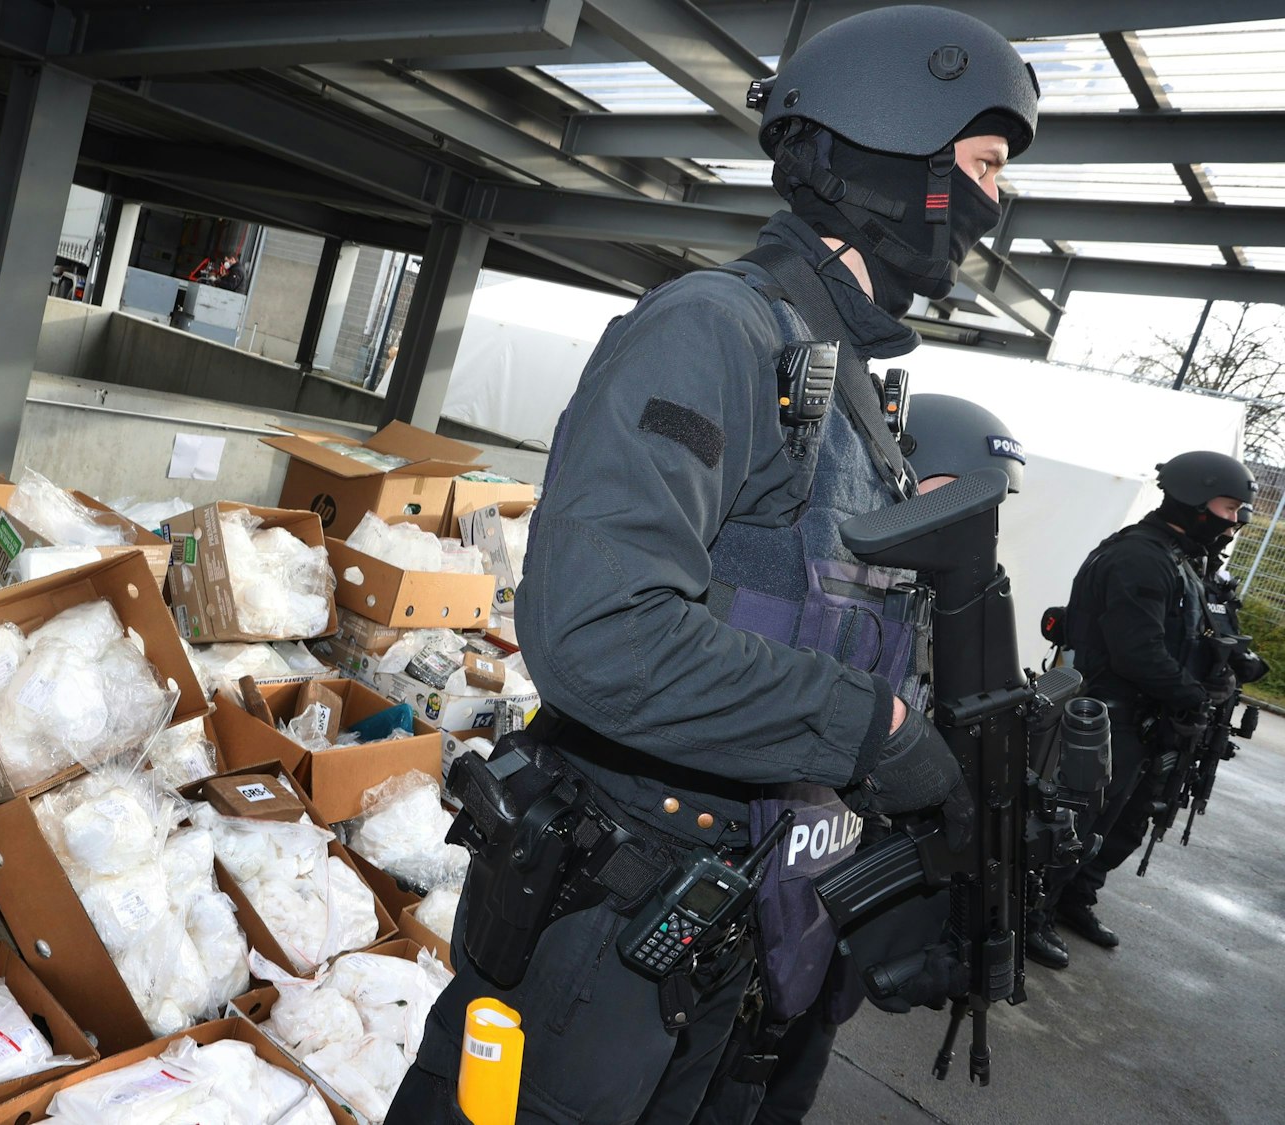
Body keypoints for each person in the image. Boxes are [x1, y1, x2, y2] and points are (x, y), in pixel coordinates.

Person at [387, 7, 1039, 1122]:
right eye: (982, 164)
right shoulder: (714, 331)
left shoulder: (840, 383)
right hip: (608, 920)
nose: (995, 201)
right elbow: (602, 637)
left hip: (728, 909)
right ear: (898, 149)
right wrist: (872, 731)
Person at [690, 394, 1029, 1125]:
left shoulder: (950, 608)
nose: (977, 523)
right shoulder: (818, 570)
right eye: (961, 495)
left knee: (789, 1080)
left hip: (827, 902)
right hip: (752, 878)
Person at [1026, 450, 1256, 969]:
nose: (1235, 521)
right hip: (1108, 716)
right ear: (1194, 499)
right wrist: (1195, 696)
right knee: (1077, 823)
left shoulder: (1183, 557)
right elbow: (1137, 652)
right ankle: (1028, 912)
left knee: (1129, 822)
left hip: (1149, 718)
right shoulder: (1140, 557)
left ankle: (1072, 898)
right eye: (1228, 507)